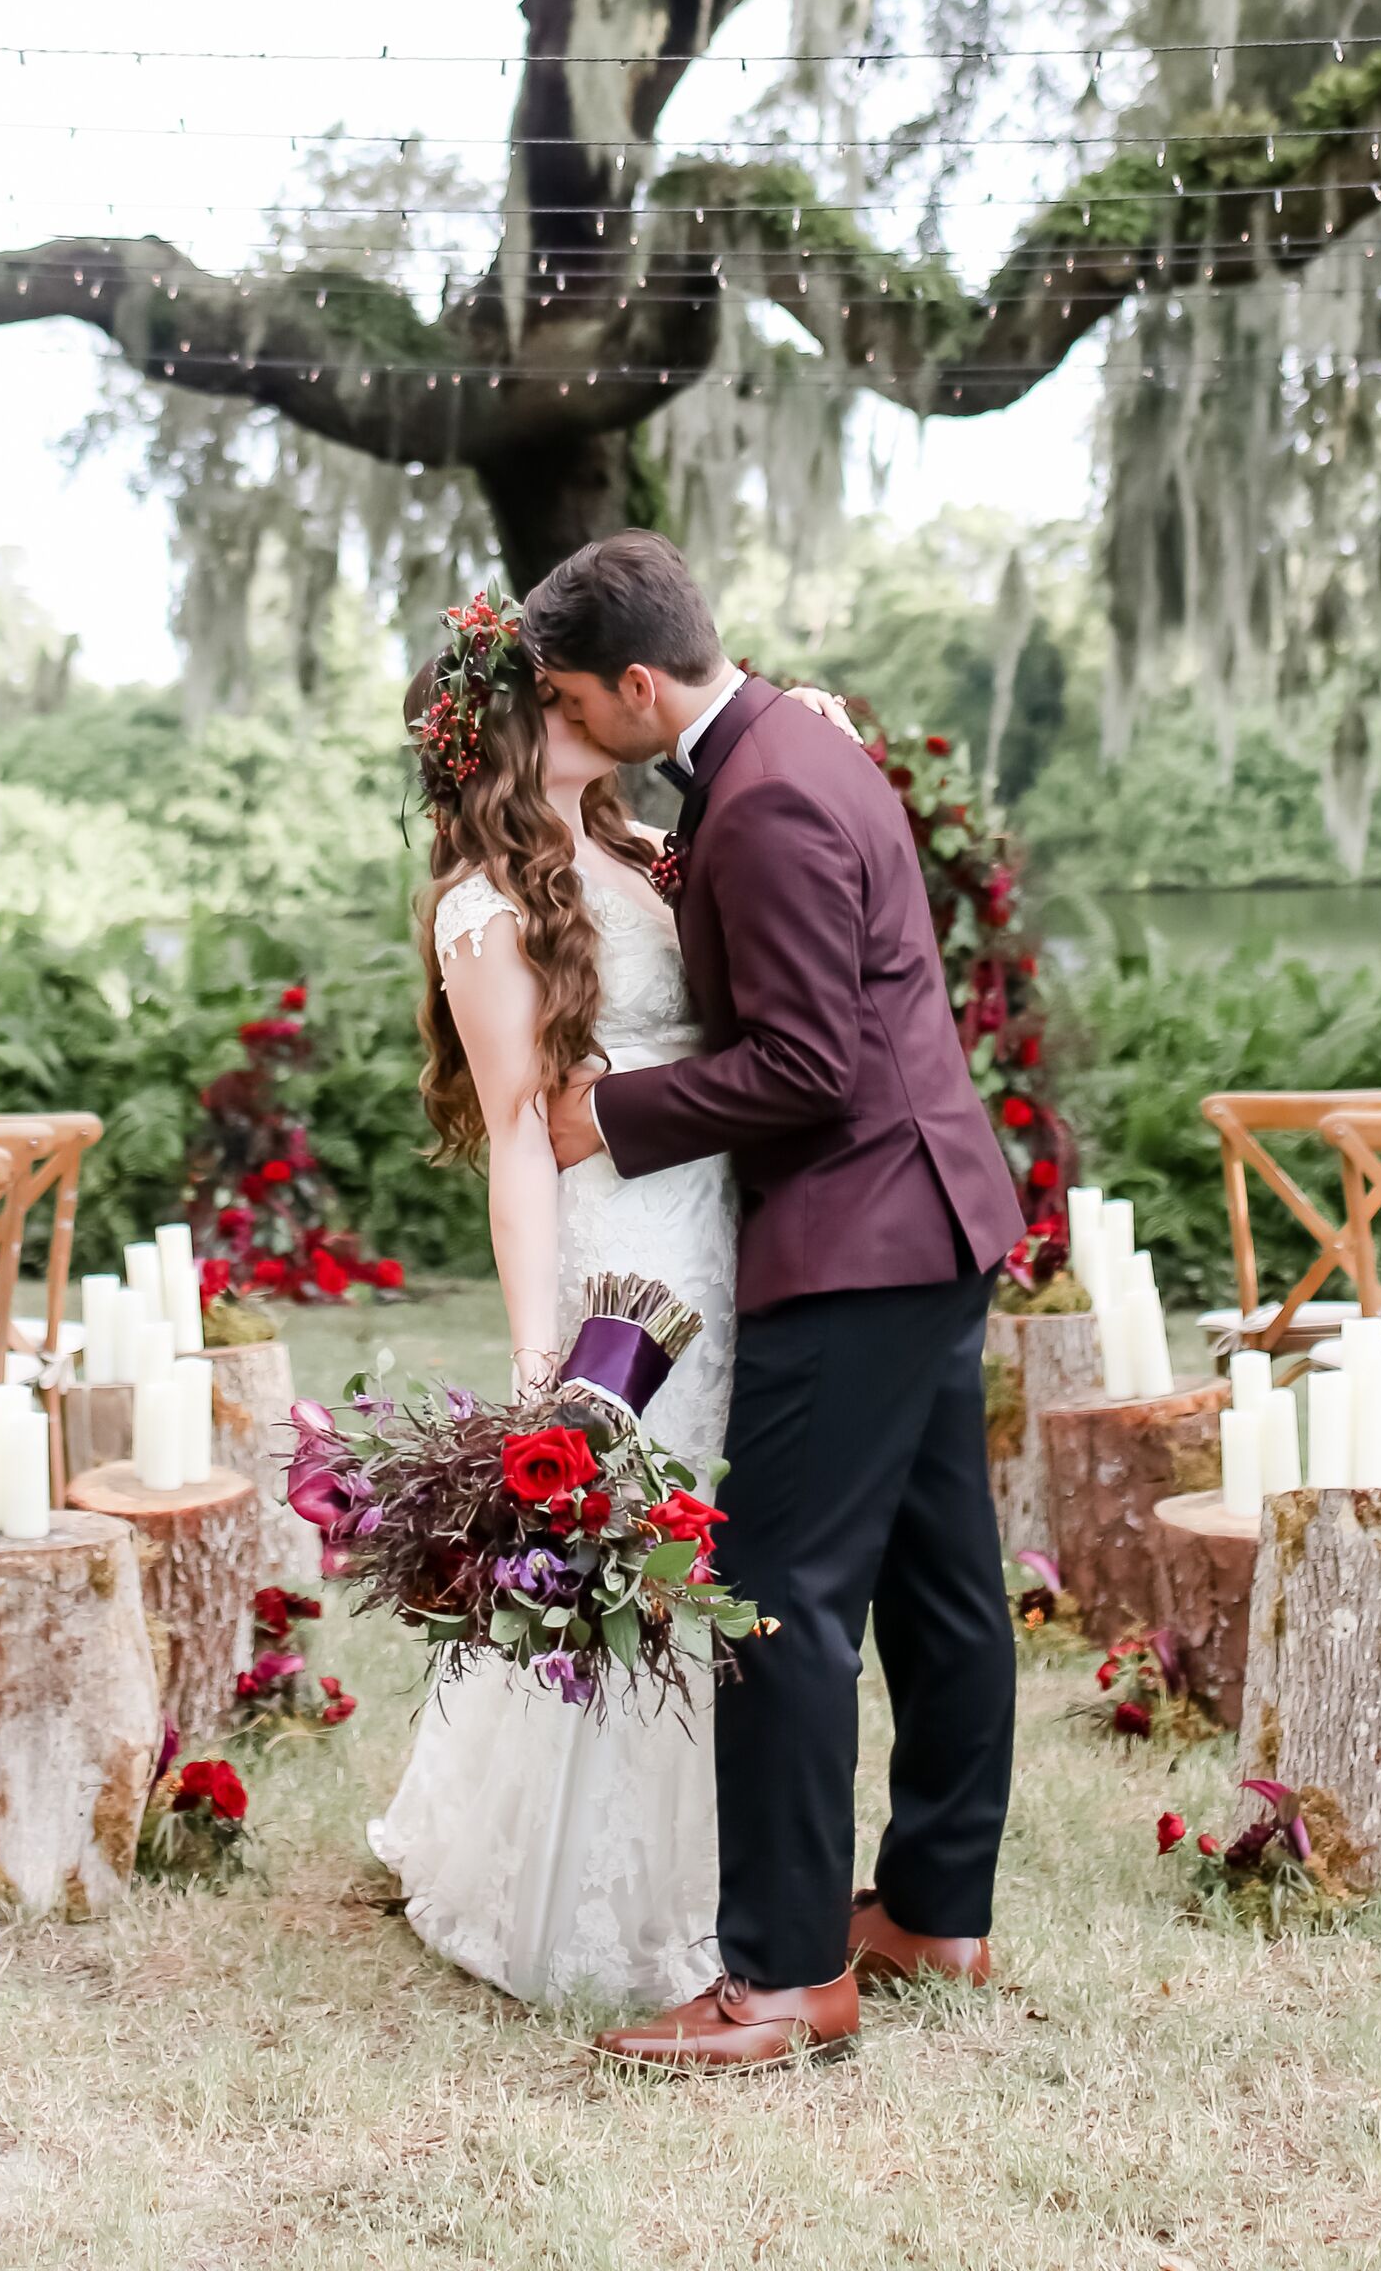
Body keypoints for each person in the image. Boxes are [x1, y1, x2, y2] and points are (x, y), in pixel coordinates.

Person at [523, 529, 1024, 2075]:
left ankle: (788, 1975)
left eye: (570, 698)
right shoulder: (796, 746)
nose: (565, 719)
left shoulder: (768, 796)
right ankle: (934, 1913)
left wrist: (611, 1113)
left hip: (859, 1235)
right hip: (930, 1218)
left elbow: (810, 1064)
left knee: (780, 1598)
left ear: (635, 682)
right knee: (942, 1588)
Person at [366, 593, 737, 2011]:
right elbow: (518, 1139)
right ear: (515, 732)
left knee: (715, 1537)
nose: (582, 702)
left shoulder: (636, 852)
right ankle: (589, 1903)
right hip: (623, 1254)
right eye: (551, 694)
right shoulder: (487, 906)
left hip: (722, 1232)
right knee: (632, 1542)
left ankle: (726, 1874)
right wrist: (542, 1359)